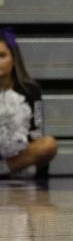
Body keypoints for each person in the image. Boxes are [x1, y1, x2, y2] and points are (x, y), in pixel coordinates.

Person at [0, 27, 57, 178]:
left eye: (1, 56)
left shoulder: (31, 90)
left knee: (48, 144)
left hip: (20, 155)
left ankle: (4, 169)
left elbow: (37, 127)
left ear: (13, 58)